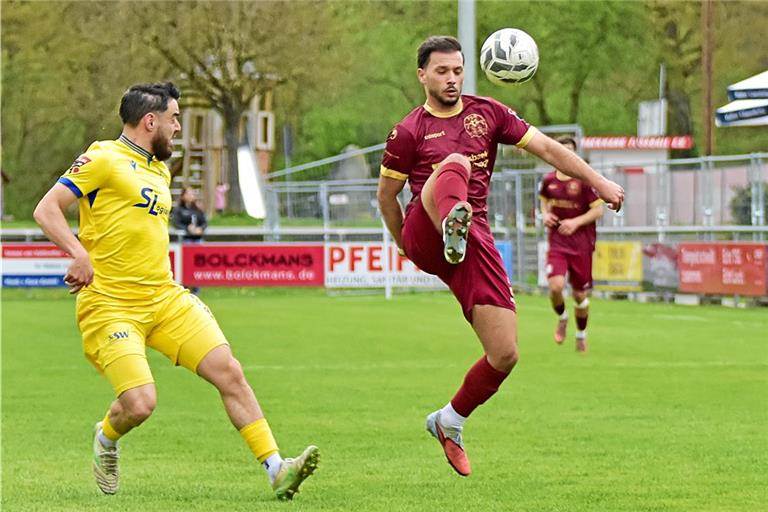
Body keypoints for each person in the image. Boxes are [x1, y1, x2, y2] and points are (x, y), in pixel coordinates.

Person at [33, 82, 319, 500]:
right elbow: (46, 209)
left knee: (230, 372)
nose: (180, 127)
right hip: (111, 305)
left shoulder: (160, 168)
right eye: (174, 118)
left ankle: (277, 469)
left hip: (165, 298)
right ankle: (106, 438)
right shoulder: (103, 157)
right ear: (151, 121)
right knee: (140, 404)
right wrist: (79, 253)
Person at [376, 36, 624, 477]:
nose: (451, 79)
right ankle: (454, 217)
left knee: (505, 353)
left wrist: (600, 182)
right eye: (441, 72)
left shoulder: (488, 113)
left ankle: (449, 422)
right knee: (455, 162)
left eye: (457, 70)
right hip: (426, 226)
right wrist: (405, 246)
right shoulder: (408, 130)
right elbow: (387, 197)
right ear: (421, 76)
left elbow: (549, 149)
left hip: (474, 239)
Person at [539, 137, 603, 352]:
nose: (566, 155)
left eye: (569, 151)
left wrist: (575, 222)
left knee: (579, 295)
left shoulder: (584, 181)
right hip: (557, 243)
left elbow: (598, 210)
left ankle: (581, 334)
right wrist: (545, 215)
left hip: (581, 246)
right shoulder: (549, 180)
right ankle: (562, 317)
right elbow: (544, 202)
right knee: (555, 286)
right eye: (562, 151)